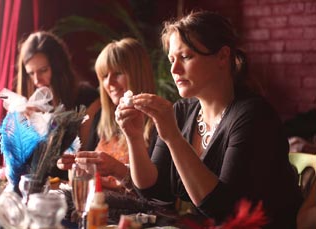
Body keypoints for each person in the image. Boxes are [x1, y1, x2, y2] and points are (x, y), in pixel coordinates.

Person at [115, 10, 303, 228]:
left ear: (223, 56)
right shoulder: (182, 111)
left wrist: (174, 138)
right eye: (171, 59)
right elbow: (154, 192)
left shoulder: (254, 116)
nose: (174, 69)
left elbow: (223, 208)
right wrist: (134, 137)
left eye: (186, 57)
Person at [57, 37, 159, 223]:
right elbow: (83, 181)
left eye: (117, 73)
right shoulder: (101, 119)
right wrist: (76, 165)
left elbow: (158, 196)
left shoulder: (159, 124)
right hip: (93, 212)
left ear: (138, 74)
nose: (109, 82)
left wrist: (117, 169)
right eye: (104, 76)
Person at [14, 31, 99, 180]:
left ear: (59, 67)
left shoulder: (88, 98)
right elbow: (22, 162)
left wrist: (47, 128)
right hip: (35, 187)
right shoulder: (31, 102)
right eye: (30, 73)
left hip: (70, 185)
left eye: (43, 70)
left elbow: (83, 158)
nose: (36, 80)